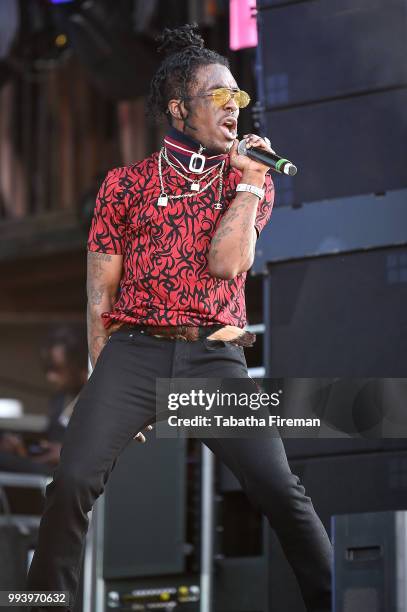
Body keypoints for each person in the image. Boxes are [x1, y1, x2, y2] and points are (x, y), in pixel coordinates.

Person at [26, 25, 332, 612]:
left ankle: (336, 599)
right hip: (133, 354)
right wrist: (100, 381)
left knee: (279, 489)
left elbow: (226, 265)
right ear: (179, 108)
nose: (234, 108)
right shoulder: (125, 185)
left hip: (216, 357)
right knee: (70, 483)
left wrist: (247, 181)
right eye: (220, 96)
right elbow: (100, 294)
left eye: (239, 97)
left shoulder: (250, 178)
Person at [0, 326, 88, 476]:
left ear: (80, 366)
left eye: (58, 369)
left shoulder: (96, 400)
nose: (50, 377)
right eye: (47, 368)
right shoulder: (60, 399)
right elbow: (51, 440)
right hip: (48, 471)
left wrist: (65, 454)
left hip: (73, 476)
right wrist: (22, 446)